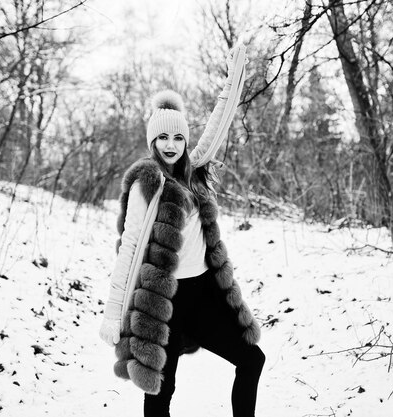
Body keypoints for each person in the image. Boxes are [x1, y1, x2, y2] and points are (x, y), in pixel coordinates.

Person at [99, 44, 264, 417]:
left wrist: (234, 78)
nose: (170, 145)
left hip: (204, 295)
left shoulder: (195, 172)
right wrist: (112, 314)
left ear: (185, 141)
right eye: (162, 138)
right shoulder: (149, 183)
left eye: (177, 138)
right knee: (160, 391)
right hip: (164, 303)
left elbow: (218, 125)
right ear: (152, 142)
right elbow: (129, 248)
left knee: (251, 360)